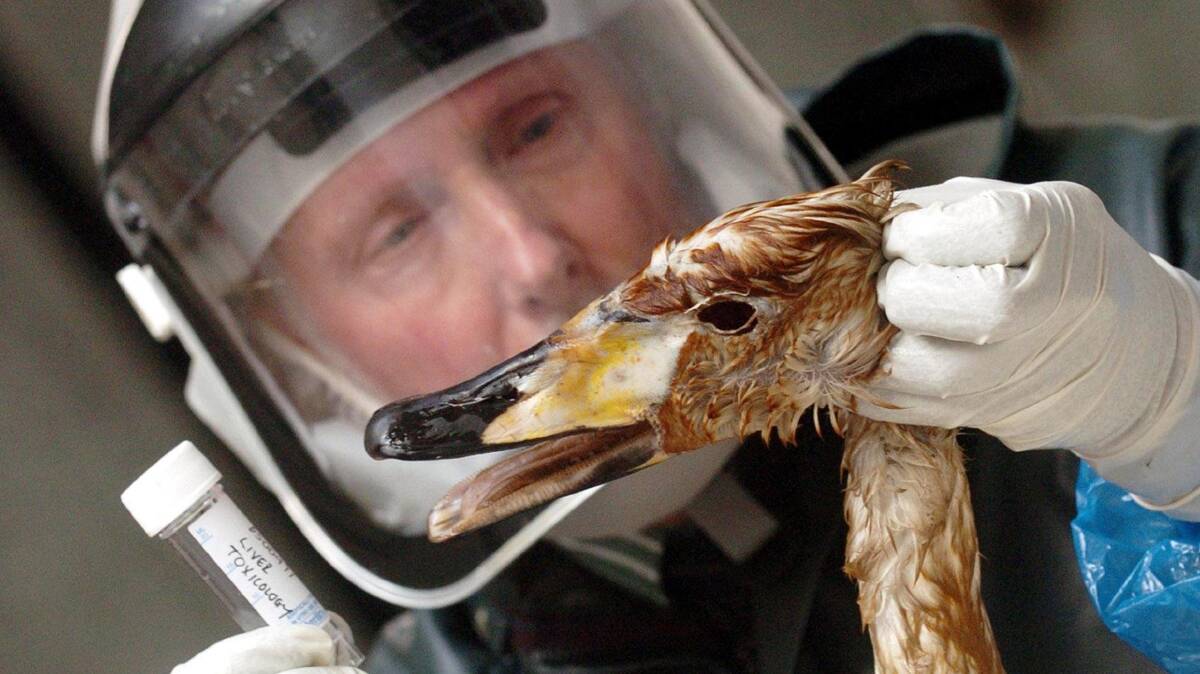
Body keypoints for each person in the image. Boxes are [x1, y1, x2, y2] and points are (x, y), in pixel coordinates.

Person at [94, 1, 1200, 672]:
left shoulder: (1150, 227)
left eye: (537, 127)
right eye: (396, 232)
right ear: (301, 366)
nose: (531, 256)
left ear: (660, 100)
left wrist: (1177, 416)